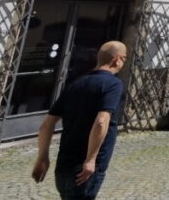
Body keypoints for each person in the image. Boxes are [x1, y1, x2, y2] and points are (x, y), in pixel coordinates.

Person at [31, 41, 127, 199]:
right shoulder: (113, 85)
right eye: (125, 58)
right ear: (117, 59)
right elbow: (101, 122)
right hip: (85, 169)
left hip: (63, 166)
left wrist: (42, 158)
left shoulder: (76, 84)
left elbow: (47, 125)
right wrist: (90, 160)